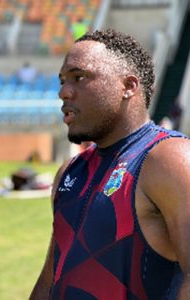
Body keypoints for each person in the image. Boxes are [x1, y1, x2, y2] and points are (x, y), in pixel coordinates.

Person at [30, 29, 190, 299]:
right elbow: (51, 279)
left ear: (128, 86)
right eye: (62, 81)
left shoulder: (167, 158)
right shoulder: (69, 173)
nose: (64, 92)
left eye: (79, 78)